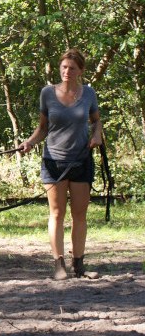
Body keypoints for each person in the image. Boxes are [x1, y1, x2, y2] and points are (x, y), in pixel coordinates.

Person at [18, 49, 103, 280]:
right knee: (57, 213)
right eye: (64, 67)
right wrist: (29, 142)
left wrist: (97, 135)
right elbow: (43, 128)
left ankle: (79, 265)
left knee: (80, 214)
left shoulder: (88, 93)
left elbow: (96, 122)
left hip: (81, 161)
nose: (67, 71)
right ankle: (59, 265)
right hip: (53, 161)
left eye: (72, 68)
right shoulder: (47, 93)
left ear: (80, 71)